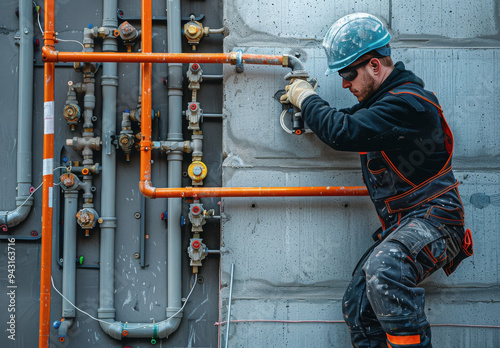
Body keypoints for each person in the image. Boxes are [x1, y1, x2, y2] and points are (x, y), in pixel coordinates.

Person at [280, 13, 474, 348]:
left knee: (387, 267)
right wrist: (308, 106)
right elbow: (342, 122)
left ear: (373, 66)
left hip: (437, 221)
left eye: (347, 73)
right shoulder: (385, 103)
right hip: (408, 224)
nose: (344, 83)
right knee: (358, 307)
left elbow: (343, 132)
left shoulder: (409, 103)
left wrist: (306, 97)